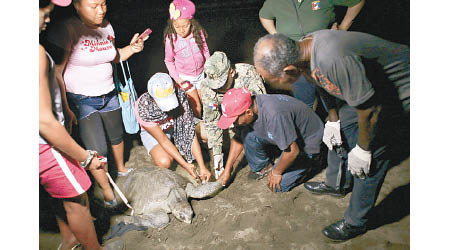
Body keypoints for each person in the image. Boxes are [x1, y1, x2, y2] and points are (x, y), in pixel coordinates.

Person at [253, 32, 409, 241]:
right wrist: (333, 119)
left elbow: (370, 110)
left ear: (288, 70)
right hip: (366, 89)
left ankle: (356, 222)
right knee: (342, 126)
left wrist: (363, 149)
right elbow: (322, 83)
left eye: (274, 80)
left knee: (373, 153)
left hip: (400, 89)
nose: (274, 84)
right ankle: (338, 184)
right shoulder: (303, 53)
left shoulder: (332, 57)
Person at [39, 1, 123, 249]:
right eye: (43, 12)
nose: (48, 17)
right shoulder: (34, 53)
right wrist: (85, 158)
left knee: (58, 193)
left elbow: (53, 78)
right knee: (78, 198)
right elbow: (44, 121)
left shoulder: (35, 48)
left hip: (100, 99)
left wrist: (63, 108)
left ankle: (69, 238)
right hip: (47, 144)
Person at [49, 0, 147, 206]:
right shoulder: (68, 29)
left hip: (110, 94)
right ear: (76, 6)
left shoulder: (107, 26)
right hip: (82, 100)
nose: (101, 11)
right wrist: (64, 108)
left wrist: (132, 48)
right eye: (94, 6)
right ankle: (107, 190)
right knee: (97, 149)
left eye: (103, 4)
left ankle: (121, 169)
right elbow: (56, 72)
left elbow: (115, 56)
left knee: (116, 136)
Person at [258, 0, 365, 109]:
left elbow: (356, 2)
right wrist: (275, 34)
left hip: (324, 51)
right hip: (294, 57)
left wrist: (342, 28)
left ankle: (336, 117)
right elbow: (264, 16)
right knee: (304, 94)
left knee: (333, 92)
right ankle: (311, 117)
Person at [215, 88, 324, 193]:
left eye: (235, 120)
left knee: (279, 186)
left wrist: (277, 172)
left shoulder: (274, 115)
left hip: (308, 141)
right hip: (288, 134)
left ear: (249, 112)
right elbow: (238, 138)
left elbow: (292, 151)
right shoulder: (253, 104)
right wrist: (227, 169)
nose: (234, 124)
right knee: (246, 134)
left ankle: (313, 163)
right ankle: (264, 167)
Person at [200, 51, 266, 179]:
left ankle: (258, 160)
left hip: (250, 119)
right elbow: (211, 120)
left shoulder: (248, 74)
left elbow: (262, 109)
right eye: (215, 86)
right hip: (229, 121)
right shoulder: (207, 87)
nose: (219, 89)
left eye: (222, 84)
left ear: (231, 72)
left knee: (248, 137)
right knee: (204, 133)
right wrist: (217, 154)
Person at [135, 73, 211, 182]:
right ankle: (177, 149)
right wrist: (185, 164)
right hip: (157, 133)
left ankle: (179, 146)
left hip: (176, 124)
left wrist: (202, 166)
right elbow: (163, 140)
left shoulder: (180, 96)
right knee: (164, 161)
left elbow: (189, 131)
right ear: (152, 97)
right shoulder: (143, 108)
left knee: (208, 133)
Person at [164, 0, 210, 118]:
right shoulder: (171, 39)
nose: (181, 30)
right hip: (185, 78)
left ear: (192, 22)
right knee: (196, 107)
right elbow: (168, 61)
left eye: (185, 26)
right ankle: (199, 128)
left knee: (206, 102)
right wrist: (178, 79)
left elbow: (205, 51)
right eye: (177, 26)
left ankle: (210, 125)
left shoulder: (198, 33)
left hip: (201, 75)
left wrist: (209, 68)